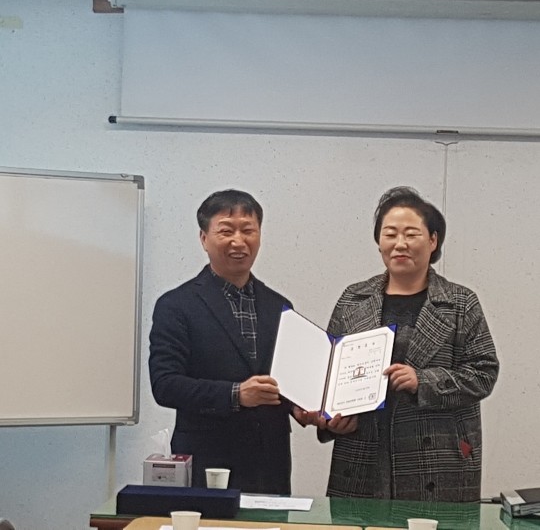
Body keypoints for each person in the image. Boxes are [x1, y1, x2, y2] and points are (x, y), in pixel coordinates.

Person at [312, 186, 499, 502]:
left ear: (433, 241)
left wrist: (423, 381)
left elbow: (484, 373)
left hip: (435, 457)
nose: (400, 243)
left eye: (411, 234)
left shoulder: (460, 302)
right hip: (361, 454)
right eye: (390, 234)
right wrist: (330, 419)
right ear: (379, 242)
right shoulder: (353, 299)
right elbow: (327, 375)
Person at [149, 189, 294, 494]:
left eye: (248, 230)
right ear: (204, 238)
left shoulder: (279, 306)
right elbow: (165, 384)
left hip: (270, 466)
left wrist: (305, 409)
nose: (239, 241)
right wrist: (235, 394)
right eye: (226, 231)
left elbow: (288, 382)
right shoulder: (176, 305)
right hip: (207, 463)